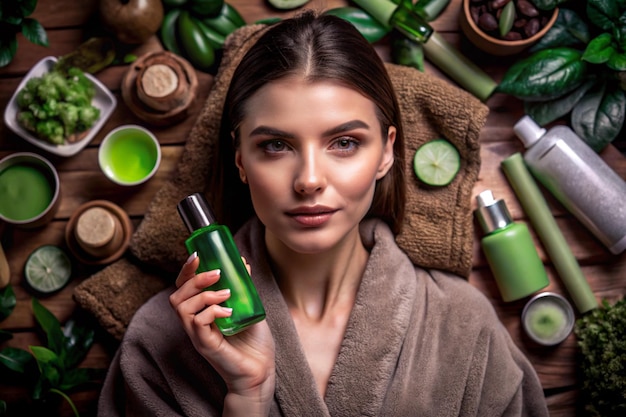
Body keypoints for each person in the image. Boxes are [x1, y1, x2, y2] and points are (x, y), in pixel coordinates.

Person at [97, 11, 549, 417]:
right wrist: (247, 396)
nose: (309, 179)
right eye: (275, 145)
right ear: (240, 161)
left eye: (345, 143)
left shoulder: (465, 327)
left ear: (387, 152)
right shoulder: (159, 342)